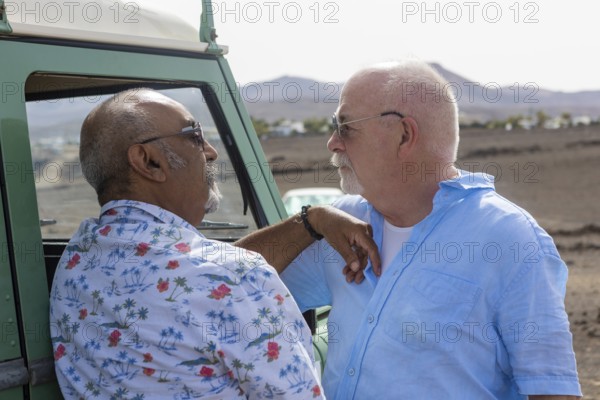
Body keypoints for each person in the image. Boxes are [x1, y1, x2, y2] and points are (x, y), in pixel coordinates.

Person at [256, 60, 582, 399]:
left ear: (404, 135)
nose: (333, 143)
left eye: (345, 127)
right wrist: (310, 221)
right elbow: (227, 282)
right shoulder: (341, 224)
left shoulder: (509, 239)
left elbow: (552, 390)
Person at [49, 88, 380, 399]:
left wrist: (312, 220)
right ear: (149, 161)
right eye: (193, 136)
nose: (210, 151)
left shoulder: (76, 260)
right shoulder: (235, 277)